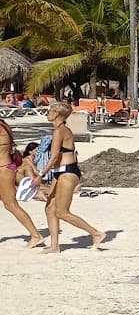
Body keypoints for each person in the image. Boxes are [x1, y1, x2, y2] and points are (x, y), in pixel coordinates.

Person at [41, 101, 104, 251]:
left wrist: (40, 174)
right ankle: (54, 245)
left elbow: (55, 155)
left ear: (56, 114)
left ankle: (96, 233)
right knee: (50, 208)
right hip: (60, 172)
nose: (48, 113)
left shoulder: (60, 130)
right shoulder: (59, 129)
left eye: (50, 110)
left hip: (67, 172)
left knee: (62, 212)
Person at [0, 118, 43, 247]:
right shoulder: (3, 124)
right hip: (7, 167)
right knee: (10, 205)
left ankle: (36, 235)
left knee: (11, 205)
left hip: (4, 170)